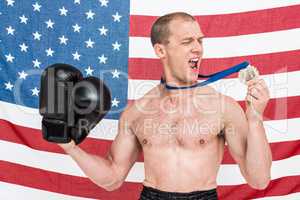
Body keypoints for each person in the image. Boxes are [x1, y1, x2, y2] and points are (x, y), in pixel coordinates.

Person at [58, 12, 272, 199]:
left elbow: (259, 180)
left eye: (200, 40)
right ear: (161, 50)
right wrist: (70, 147)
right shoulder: (136, 113)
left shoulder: (223, 108)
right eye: (187, 41)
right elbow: (112, 179)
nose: (197, 48)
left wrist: (255, 118)